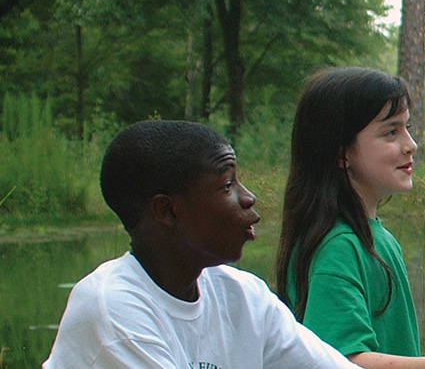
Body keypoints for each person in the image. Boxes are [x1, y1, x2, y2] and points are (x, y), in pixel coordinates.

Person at [43, 120, 360, 368]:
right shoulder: (111, 308)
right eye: (226, 184)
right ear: (167, 210)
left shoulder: (243, 296)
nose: (248, 197)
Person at [274, 67, 425, 369]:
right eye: (391, 132)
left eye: (407, 127)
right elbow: (342, 361)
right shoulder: (338, 247)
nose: (411, 144)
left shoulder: (378, 238)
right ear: (341, 154)